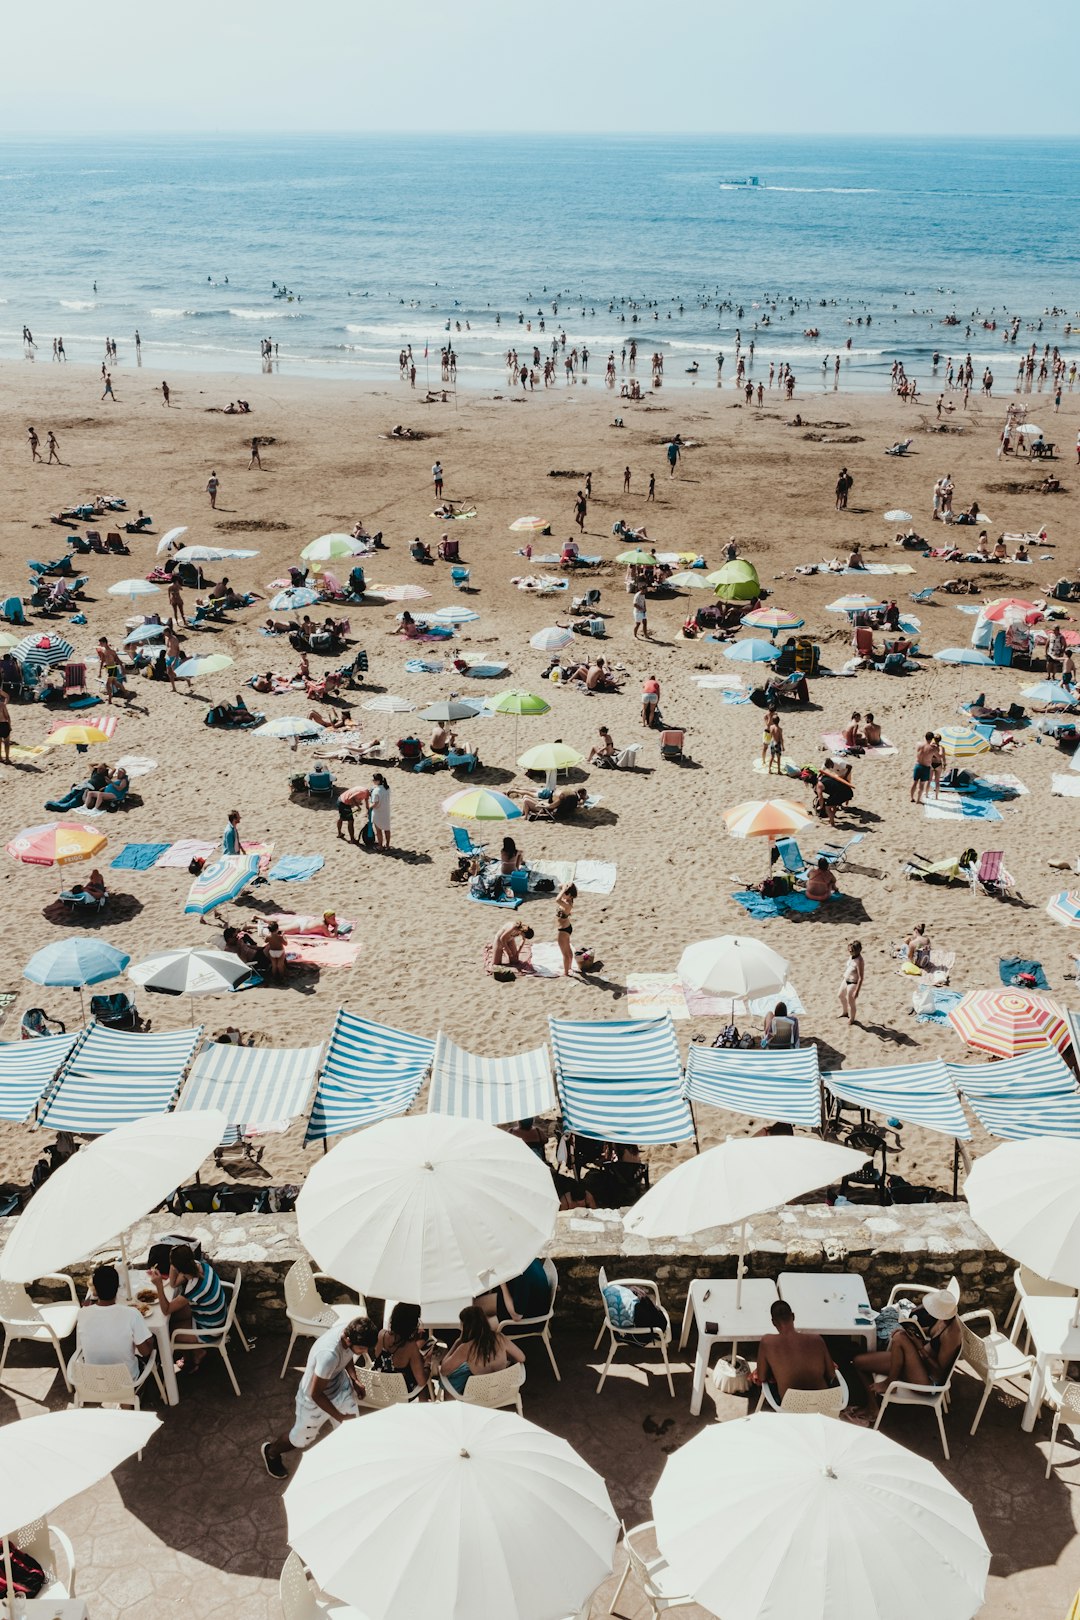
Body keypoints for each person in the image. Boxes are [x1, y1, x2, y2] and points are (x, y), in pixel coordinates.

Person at [261, 1316, 378, 1478]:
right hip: (313, 1401)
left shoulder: (350, 1330)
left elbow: (348, 1355)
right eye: (362, 1348)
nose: (365, 1352)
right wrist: (338, 1416)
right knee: (300, 1440)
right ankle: (271, 1452)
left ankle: (350, 1465)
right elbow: (315, 1394)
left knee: (351, 1429)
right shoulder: (328, 1356)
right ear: (348, 1339)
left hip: (339, 1388)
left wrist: (354, 1379)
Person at [850, 1290, 961, 1419]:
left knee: (900, 1337)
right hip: (917, 1363)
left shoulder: (952, 1335)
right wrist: (911, 1330)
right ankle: (873, 1407)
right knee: (859, 1362)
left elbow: (938, 1373)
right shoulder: (943, 1319)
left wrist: (919, 1347)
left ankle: (890, 1381)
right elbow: (929, 1333)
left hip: (926, 1381)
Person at [148, 1244, 228, 1373]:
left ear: (179, 1267)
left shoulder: (194, 1287)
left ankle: (194, 1356)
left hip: (210, 1329)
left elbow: (166, 1309)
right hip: (212, 1315)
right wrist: (175, 1265)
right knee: (172, 1319)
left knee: (166, 1333)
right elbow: (174, 1284)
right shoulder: (198, 1265)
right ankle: (195, 1351)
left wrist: (159, 1286)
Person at [79, 1263, 154, 1378]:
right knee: (150, 1356)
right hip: (126, 1384)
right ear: (117, 1288)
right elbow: (145, 1352)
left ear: (95, 1291)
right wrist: (150, 1340)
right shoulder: (132, 1314)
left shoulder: (82, 1313)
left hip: (94, 1383)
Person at [754, 1301, 836, 1403]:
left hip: (791, 1406)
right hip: (824, 1402)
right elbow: (832, 1374)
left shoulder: (767, 1342)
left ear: (773, 1322)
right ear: (793, 1316)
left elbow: (761, 1377)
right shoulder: (817, 1339)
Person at [440, 1305, 526, 1396]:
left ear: (465, 1326)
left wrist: (457, 1343)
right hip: (502, 1391)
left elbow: (444, 1370)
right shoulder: (499, 1338)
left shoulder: (466, 1348)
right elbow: (522, 1358)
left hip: (480, 1396)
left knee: (449, 1380)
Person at [374, 1303, 433, 1396]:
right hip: (401, 1394)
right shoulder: (411, 1347)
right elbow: (421, 1381)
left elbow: (379, 1357)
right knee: (424, 1385)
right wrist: (427, 1364)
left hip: (381, 1388)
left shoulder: (382, 1334)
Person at [838, 939, 864, 1024]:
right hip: (846, 980)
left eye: (851, 950)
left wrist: (857, 991)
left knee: (851, 1002)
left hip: (853, 982)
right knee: (840, 995)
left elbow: (861, 977)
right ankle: (845, 1012)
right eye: (849, 949)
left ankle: (852, 1019)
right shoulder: (851, 956)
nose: (849, 951)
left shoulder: (859, 961)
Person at [555, 881, 577, 976]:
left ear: (569, 895)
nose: (562, 895)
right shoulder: (568, 900)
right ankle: (570, 967)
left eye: (564, 894)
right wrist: (566, 885)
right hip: (567, 927)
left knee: (564, 952)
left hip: (563, 930)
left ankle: (566, 972)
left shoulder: (567, 905)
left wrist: (564, 889)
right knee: (568, 948)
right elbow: (559, 885)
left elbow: (557, 900)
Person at [910, 732, 936, 804]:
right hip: (925, 767)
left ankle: (912, 798)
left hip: (918, 765)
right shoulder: (932, 748)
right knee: (921, 785)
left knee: (914, 782)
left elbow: (919, 746)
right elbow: (937, 756)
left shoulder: (919, 744)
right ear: (932, 739)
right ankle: (918, 800)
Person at [370, 772, 391, 849]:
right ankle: (387, 845)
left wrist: (369, 808)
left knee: (378, 830)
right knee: (387, 829)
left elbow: (375, 803)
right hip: (386, 811)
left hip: (378, 812)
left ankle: (380, 846)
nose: (372, 781)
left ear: (377, 781)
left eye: (373, 780)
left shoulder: (376, 791)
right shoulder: (387, 788)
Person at [0, 692, 10, 764]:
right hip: (3, 724)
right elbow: (7, 716)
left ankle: (0, 757)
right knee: (6, 742)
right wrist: (9, 726)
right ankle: (7, 758)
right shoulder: (2, 705)